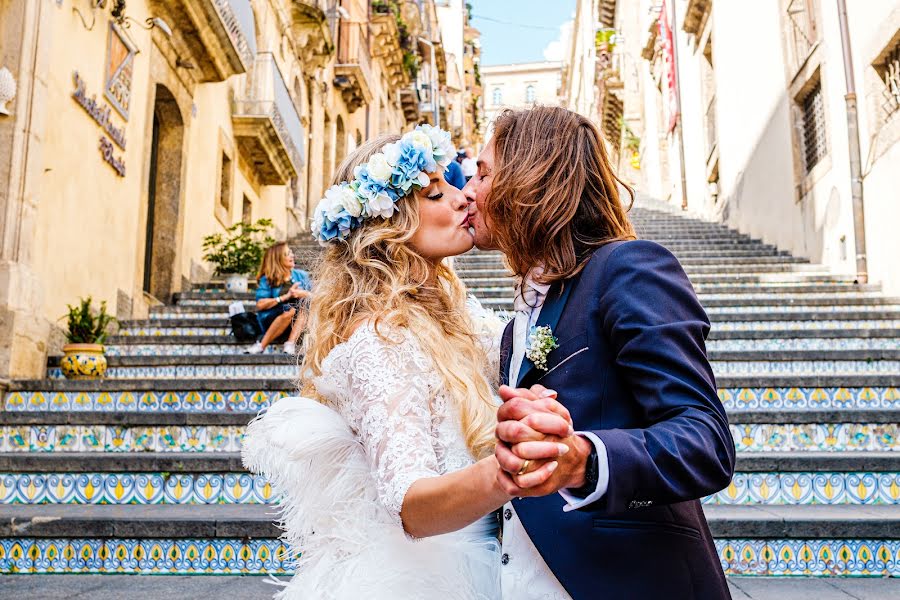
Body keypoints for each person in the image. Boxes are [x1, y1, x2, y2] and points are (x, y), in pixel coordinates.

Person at [241, 125, 566, 599]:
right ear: (389, 227)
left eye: (455, 183)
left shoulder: (452, 313)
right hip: (421, 579)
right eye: (436, 193)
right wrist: (507, 471)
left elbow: (532, 351)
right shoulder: (379, 338)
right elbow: (411, 505)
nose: (463, 199)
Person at [462, 106, 736, 599]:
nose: (468, 190)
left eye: (482, 173)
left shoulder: (628, 268)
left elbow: (705, 441)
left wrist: (583, 459)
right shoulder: (517, 321)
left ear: (527, 176)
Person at [245, 241, 312, 355]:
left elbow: (316, 297)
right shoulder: (268, 279)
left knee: (303, 303)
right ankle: (262, 345)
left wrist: (302, 293)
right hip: (271, 319)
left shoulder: (301, 275)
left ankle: (289, 343)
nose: (292, 255)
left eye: (291, 252)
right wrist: (285, 297)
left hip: (296, 322)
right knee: (290, 308)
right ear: (278, 259)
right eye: (287, 254)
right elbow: (260, 304)